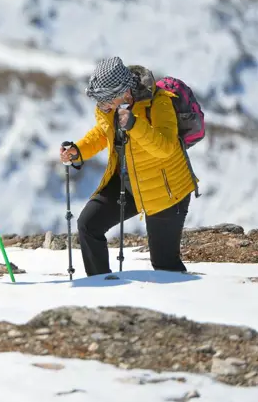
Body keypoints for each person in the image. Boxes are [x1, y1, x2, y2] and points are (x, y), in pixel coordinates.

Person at [59, 56, 197, 276]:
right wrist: (78, 150)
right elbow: (103, 134)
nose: (101, 105)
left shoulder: (158, 102)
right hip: (129, 183)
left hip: (166, 191)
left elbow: (166, 147)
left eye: (105, 99)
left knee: (165, 267)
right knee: (88, 225)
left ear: (122, 91)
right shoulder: (111, 108)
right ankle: (101, 285)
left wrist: (134, 124)